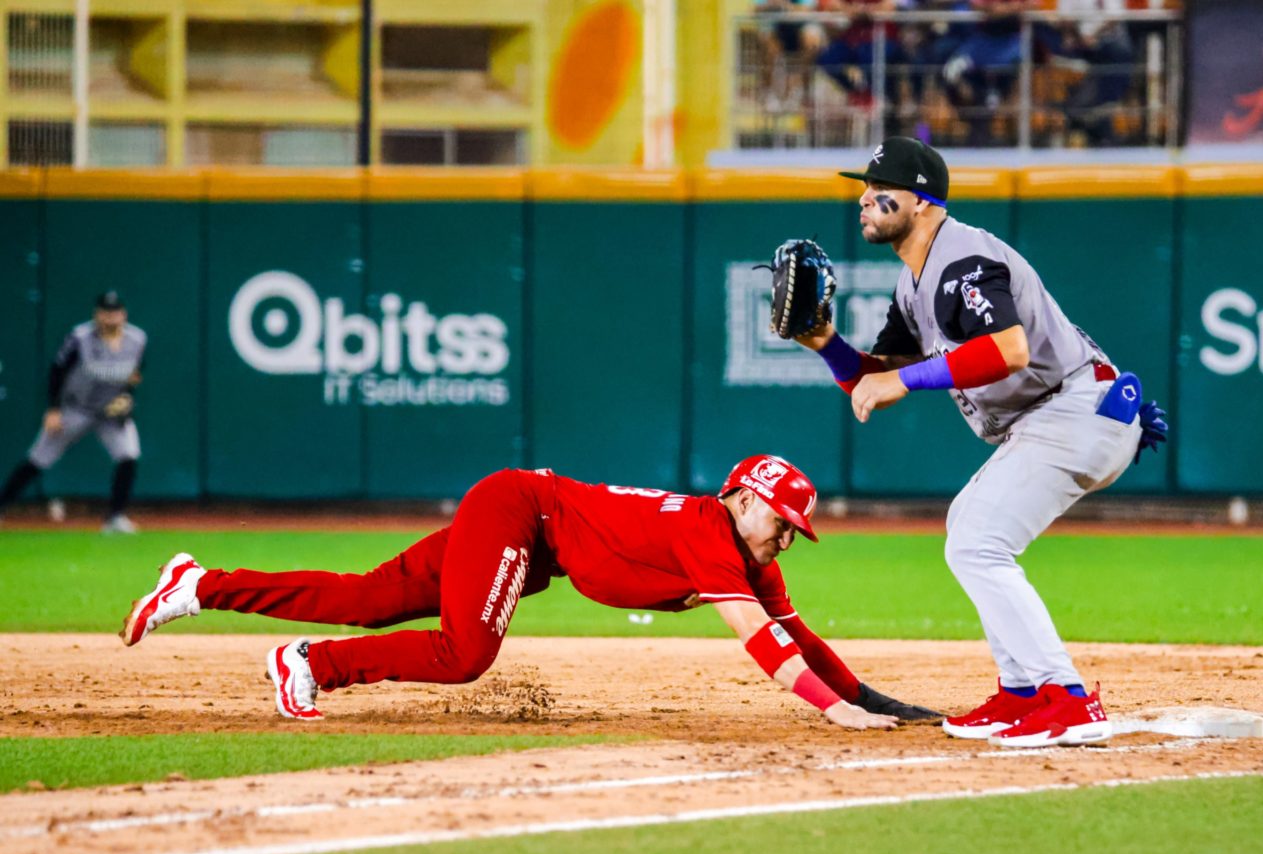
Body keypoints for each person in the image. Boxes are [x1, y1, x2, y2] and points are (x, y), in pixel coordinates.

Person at [789, 136, 1167, 748]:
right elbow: (875, 380)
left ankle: (1067, 699)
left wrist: (903, 381)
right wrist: (826, 344)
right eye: (864, 189)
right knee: (968, 528)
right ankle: (1021, 693)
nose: (864, 199)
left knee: (978, 542)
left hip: (1077, 409)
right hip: (1058, 417)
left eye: (878, 189)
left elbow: (1009, 351)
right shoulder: (913, 284)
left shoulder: (962, 259)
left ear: (920, 200)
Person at [119, 455, 941, 729]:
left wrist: (877, 702)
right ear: (745, 498)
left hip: (530, 532)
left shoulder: (752, 556)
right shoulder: (710, 535)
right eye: (783, 522)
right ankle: (309, 665)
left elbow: (800, 638)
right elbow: (761, 643)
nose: (787, 537)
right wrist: (833, 713)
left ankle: (198, 584)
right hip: (519, 512)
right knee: (464, 654)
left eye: (795, 530)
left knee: (367, 597)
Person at [0, 291, 145, 534]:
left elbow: (135, 373)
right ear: (97, 314)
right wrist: (54, 409)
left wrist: (127, 397)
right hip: (76, 408)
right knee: (38, 458)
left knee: (128, 455)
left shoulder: (137, 338)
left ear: (124, 314)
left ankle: (116, 517)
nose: (110, 317)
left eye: (115, 312)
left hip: (110, 414)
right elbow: (57, 371)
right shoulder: (80, 337)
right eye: (106, 312)